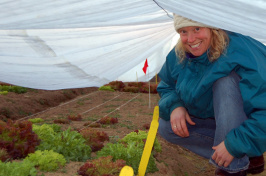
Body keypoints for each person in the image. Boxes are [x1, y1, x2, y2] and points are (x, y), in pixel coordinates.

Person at [157, 14, 266, 176]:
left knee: (225, 82)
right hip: (215, 119)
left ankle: (232, 168)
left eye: (197, 29)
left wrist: (235, 144)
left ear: (212, 28)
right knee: (167, 127)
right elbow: (165, 84)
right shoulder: (178, 54)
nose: (191, 39)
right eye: (183, 32)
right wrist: (175, 105)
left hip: (247, 119)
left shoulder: (241, 51)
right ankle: (248, 154)